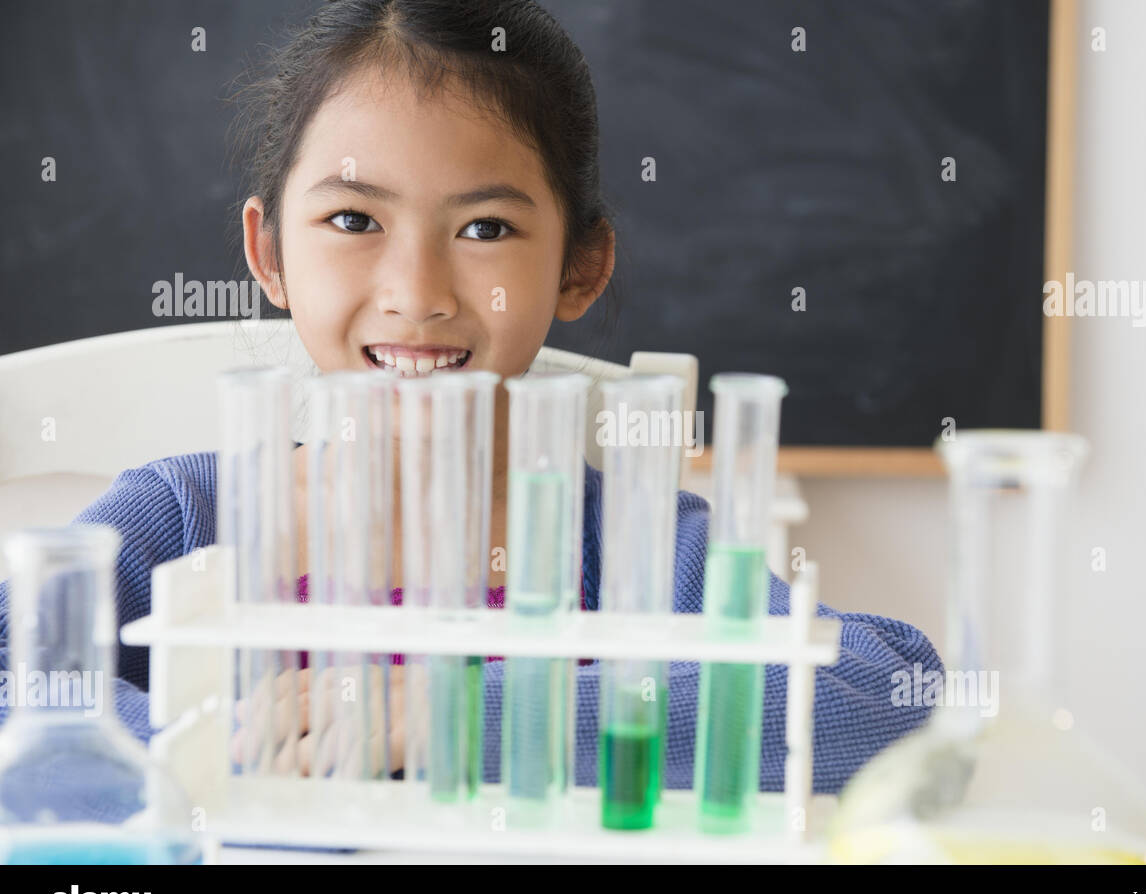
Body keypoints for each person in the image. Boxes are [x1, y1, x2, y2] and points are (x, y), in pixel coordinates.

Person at [0, 0, 942, 797]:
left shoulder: (632, 551)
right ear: (270, 255)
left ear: (580, 267)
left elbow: (896, 694)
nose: (419, 291)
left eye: (485, 226)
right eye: (353, 219)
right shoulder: (186, 518)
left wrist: (459, 717)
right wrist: (210, 745)